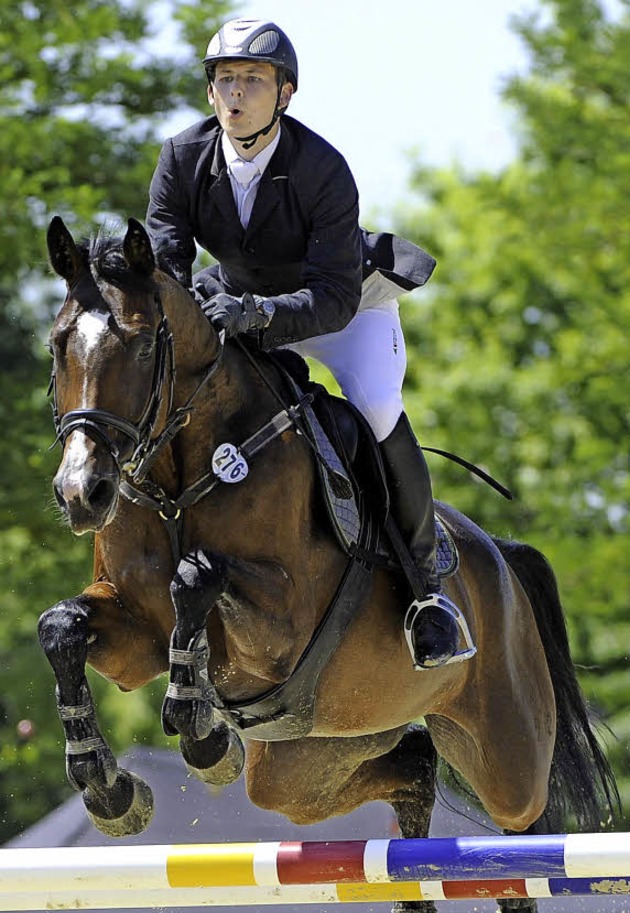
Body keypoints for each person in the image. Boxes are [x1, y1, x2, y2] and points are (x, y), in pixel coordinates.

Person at [146, 17, 472, 670]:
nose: (236, 94)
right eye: (225, 80)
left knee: (377, 407)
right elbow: (167, 265)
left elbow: (331, 296)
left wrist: (256, 315)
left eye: (253, 81)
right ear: (211, 94)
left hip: (343, 308)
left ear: (286, 93)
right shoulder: (183, 158)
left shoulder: (320, 167)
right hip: (238, 305)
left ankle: (426, 592)